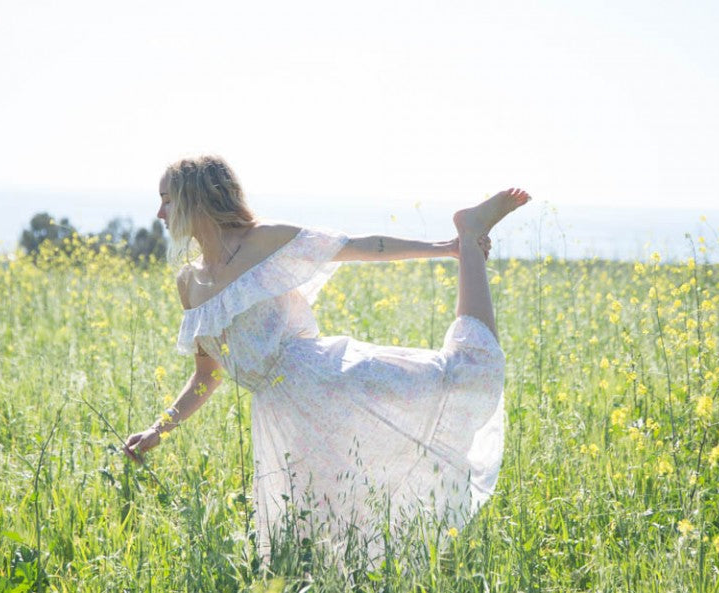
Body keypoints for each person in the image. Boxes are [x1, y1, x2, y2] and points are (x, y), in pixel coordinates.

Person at [124, 155, 529, 562]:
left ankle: (470, 228)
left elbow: (357, 248)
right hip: (281, 420)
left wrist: (449, 249)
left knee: (466, 375)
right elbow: (205, 376)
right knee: (317, 537)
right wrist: (157, 431)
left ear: (196, 199)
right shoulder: (189, 283)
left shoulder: (262, 239)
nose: (160, 213)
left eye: (167, 200)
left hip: (329, 376)